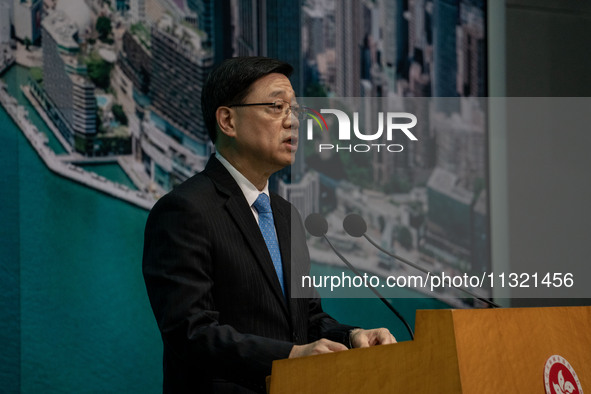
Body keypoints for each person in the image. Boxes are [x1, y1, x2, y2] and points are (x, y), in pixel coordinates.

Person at [142, 56, 396, 394]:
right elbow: (190, 331)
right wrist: (291, 356)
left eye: (296, 110)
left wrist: (352, 337)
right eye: (277, 107)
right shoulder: (183, 211)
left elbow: (307, 319)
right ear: (228, 120)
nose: (292, 122)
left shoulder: (286, 214)